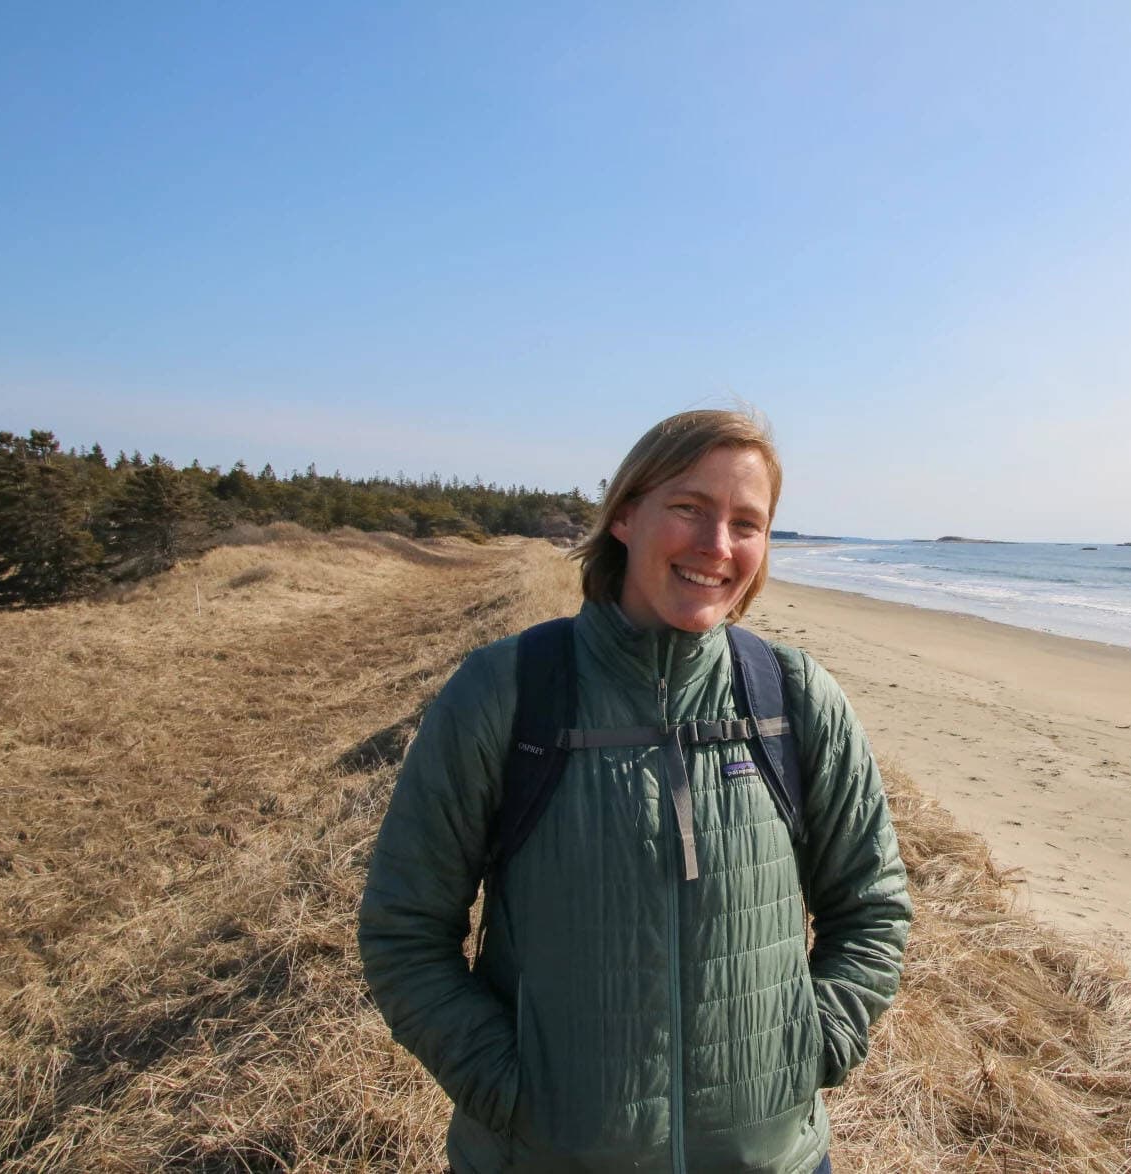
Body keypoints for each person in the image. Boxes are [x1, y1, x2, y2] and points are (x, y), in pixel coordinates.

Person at [358, 409, 912, 1174]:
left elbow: (872, 908)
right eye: (689, 508)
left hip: (772, 1159)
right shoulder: (506, 693)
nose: (717, 546)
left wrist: (808, 1051)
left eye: (746, 522)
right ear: (624, 513)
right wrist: (515, 1094)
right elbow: (403, 934)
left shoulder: (792, 699)